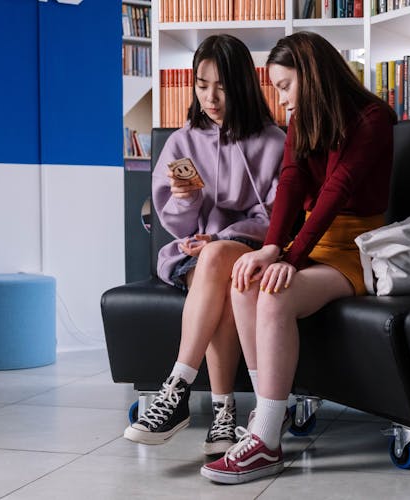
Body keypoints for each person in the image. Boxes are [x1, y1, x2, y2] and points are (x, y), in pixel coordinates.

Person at [200, 32, 397, 484]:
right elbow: (290, 183)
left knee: (274, 293)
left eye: (286, 86)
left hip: (353, 249)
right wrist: (271, 248)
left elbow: (337, 190)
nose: (282, 98)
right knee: (246, 278)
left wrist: (290, 256)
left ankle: (266, 442)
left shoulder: (373, 118)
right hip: (311, 242)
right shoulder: (303, 121)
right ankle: (268, 417)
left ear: (313, 76)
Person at [123, 34, 286, 456]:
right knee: (221, 280)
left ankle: (180, 391)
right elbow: (175, 223)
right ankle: (222, 415)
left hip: (253, 249)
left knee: (221, 263)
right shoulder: (182, 141)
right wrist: (185, 199)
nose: (210, 98)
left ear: (243, 86)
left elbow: (276, 219)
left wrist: (222, 237)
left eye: (222, 86)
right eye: (201, 85)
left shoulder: (274, 142)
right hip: (196, 253)